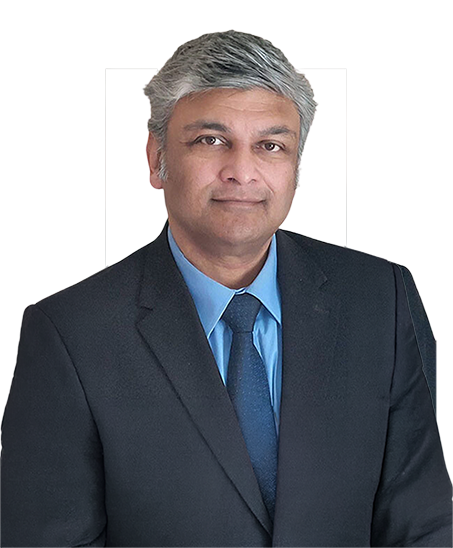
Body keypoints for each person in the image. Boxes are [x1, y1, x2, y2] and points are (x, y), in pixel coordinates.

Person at [0, 30, 452, 548]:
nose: (242, 171)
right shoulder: (69, 333)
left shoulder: (381, 300)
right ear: (156, 157)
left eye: (270, 146)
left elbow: (422, 524)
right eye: (210, 140)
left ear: (295, 167)